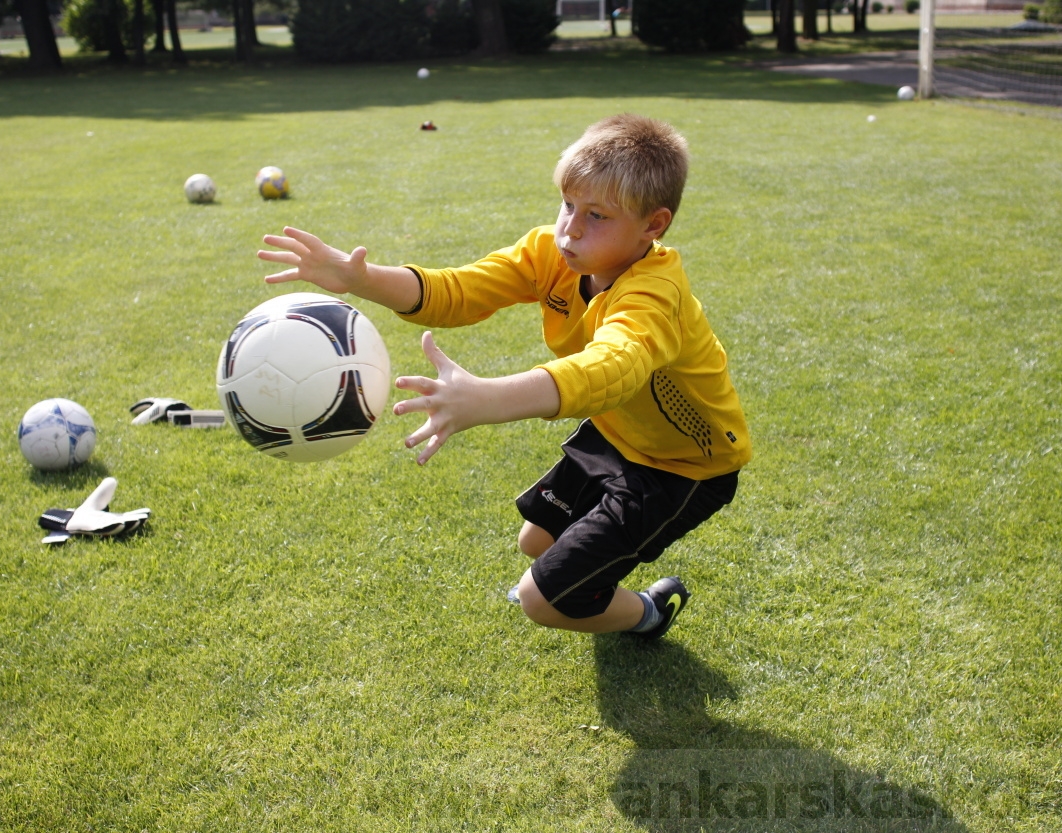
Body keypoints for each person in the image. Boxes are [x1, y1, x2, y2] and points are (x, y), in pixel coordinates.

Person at [257, 114, 752, 640]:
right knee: (535, 542)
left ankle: (649, 613)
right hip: (618, 433)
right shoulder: (552, 253)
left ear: (654, 225)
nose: (571, 228)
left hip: (684, 465)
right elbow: (462, 290)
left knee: (543, 601)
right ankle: (589, 587)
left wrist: (488, 398)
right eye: (568, 205)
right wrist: (361, 279)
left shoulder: (654, 295)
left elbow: (614, 368)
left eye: (598, 215)